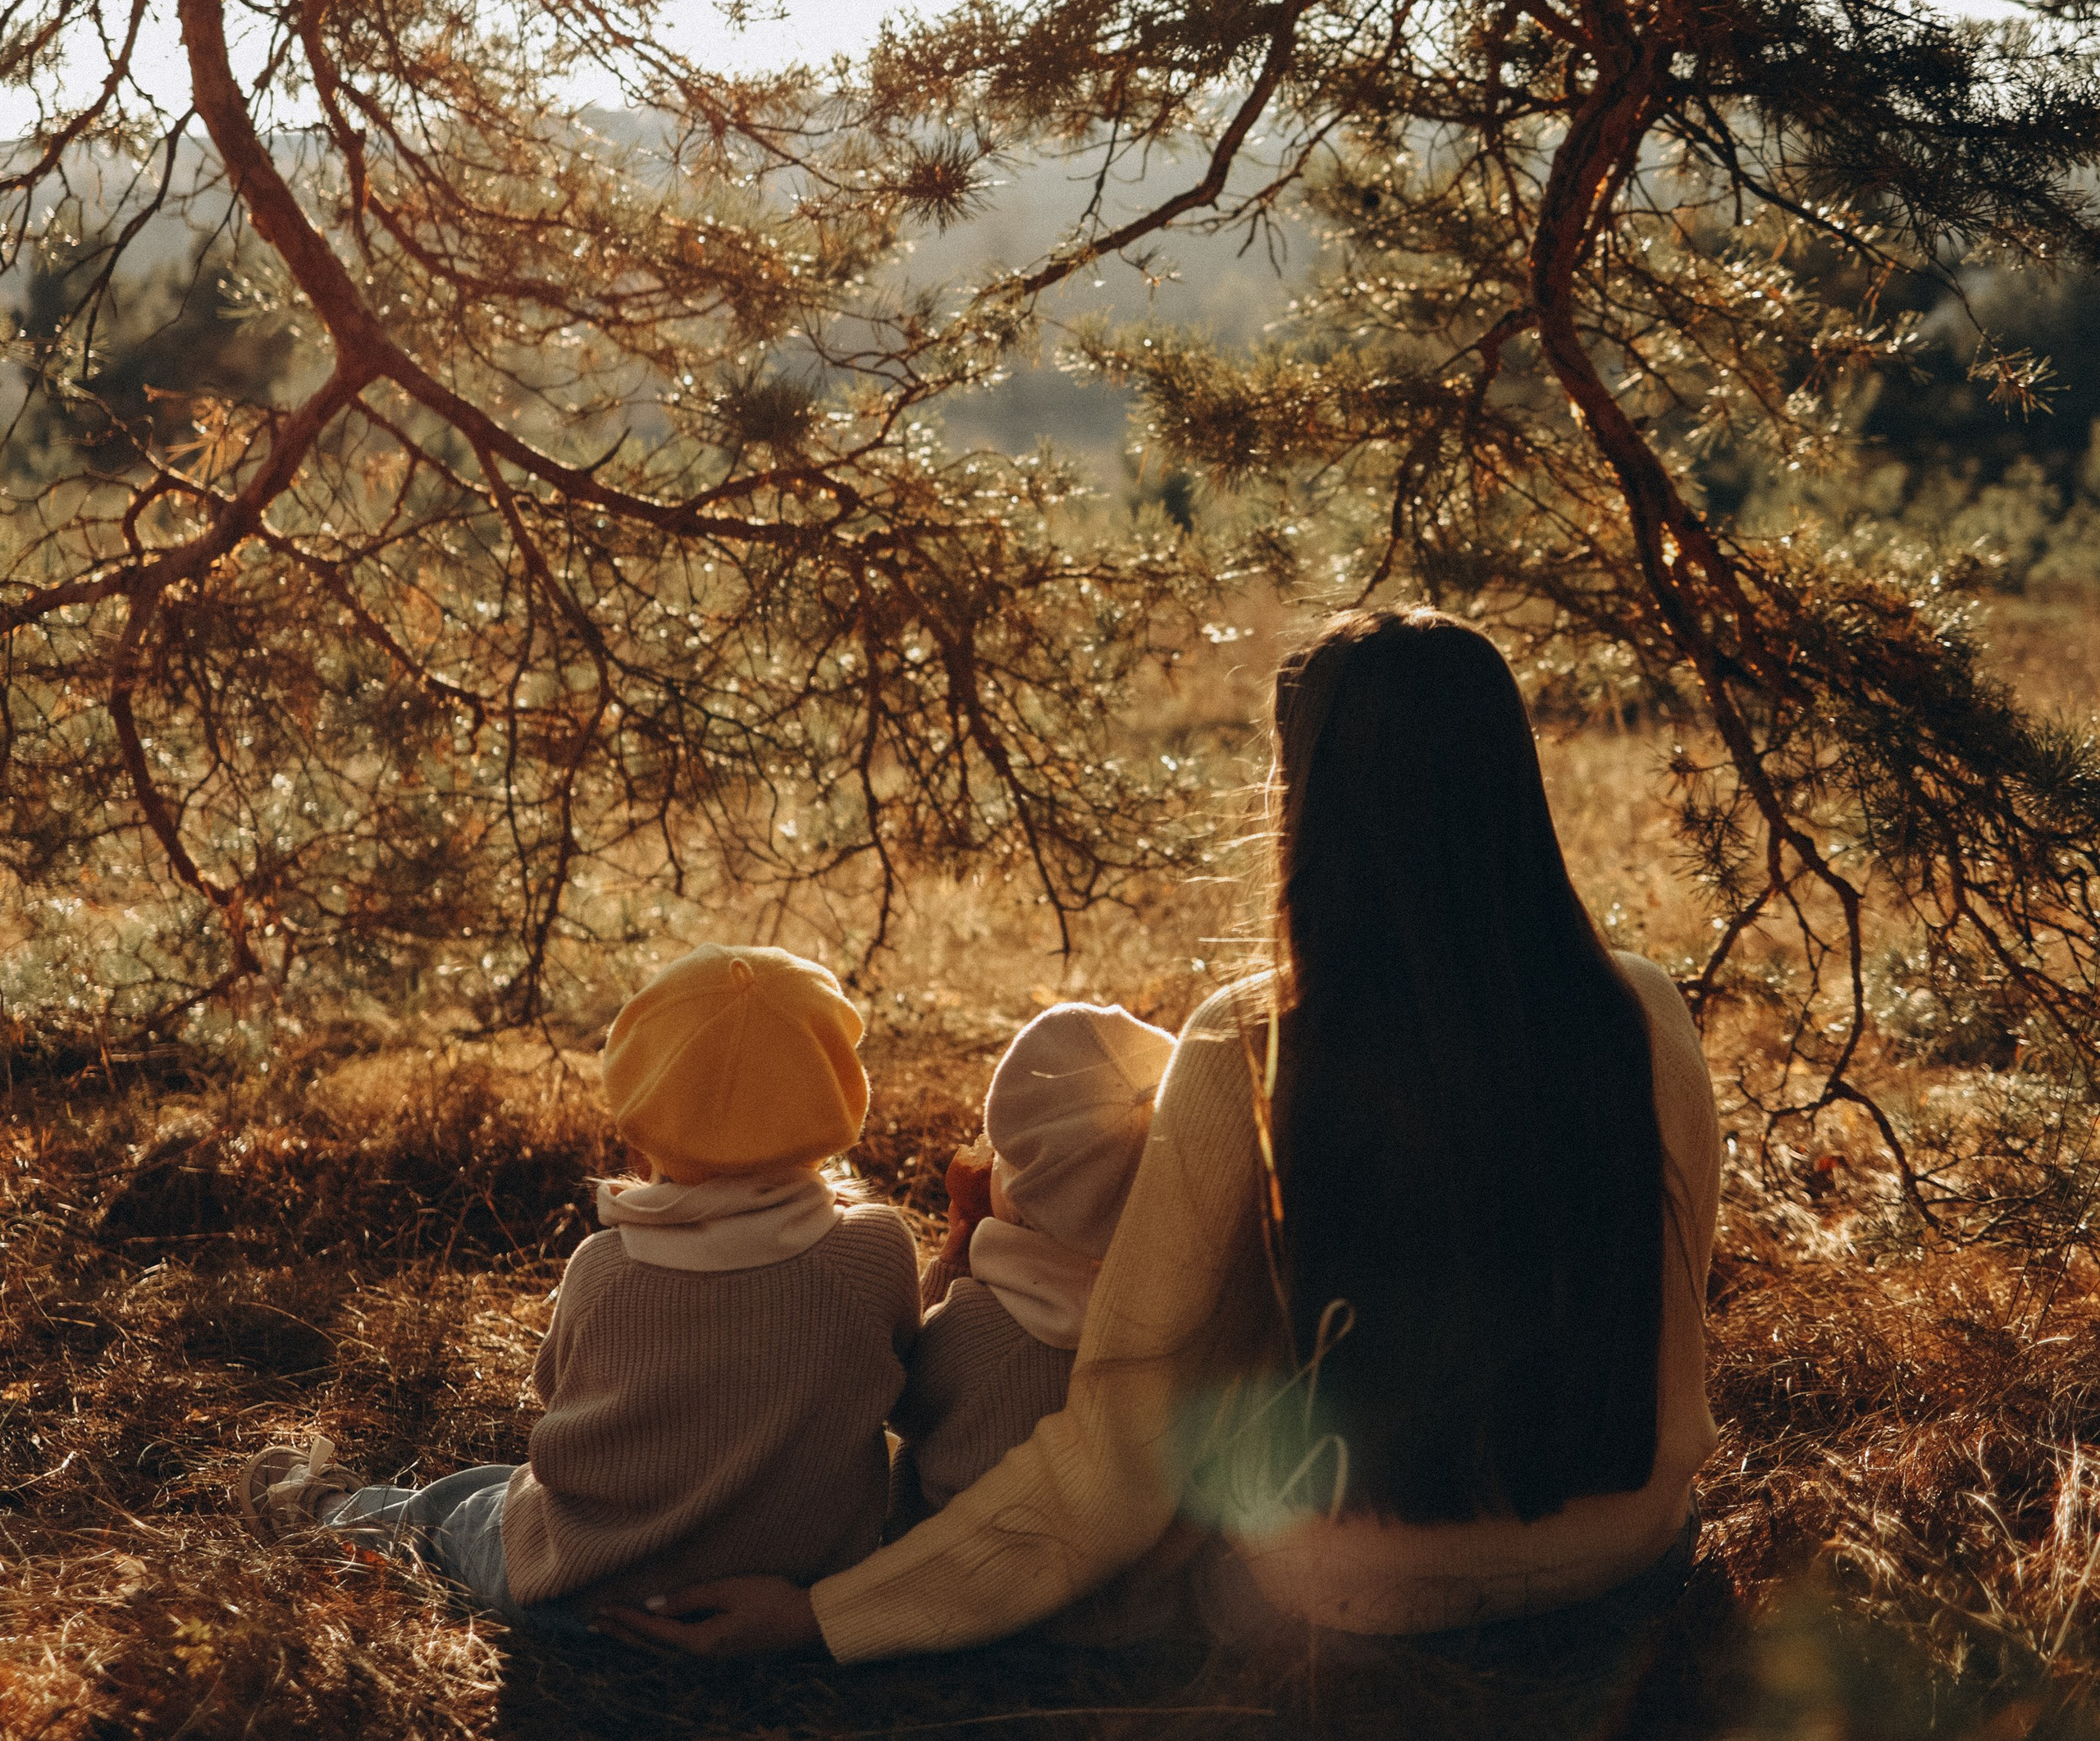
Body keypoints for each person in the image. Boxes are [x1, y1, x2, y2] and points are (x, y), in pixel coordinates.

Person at [597, 609, 1723, 1663]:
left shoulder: (1253, 1042)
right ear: (1515, 783)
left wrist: (827, 1616)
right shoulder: (1644, 1012)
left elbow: (1122, 1443)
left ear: (1304, 801)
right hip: (1622, 1557)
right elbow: (1670, 1314)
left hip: (1346, 1595)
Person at [233, 941, 920, 1621]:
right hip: (793, 1586)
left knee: (459, 1508)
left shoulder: (607, 1267)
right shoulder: (876, 1251)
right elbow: (902, 1378)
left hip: (588, 1592)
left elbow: (557, 1391)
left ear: (644, 1105)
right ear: (835, 1090)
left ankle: (327, 1513)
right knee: (488, 1493)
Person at [888, 998, 1174, 1531]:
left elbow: (897, 1398)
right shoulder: (1157, 1330)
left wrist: (951, 1263)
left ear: (1021, 1200)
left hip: (942, 1563)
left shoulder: (975, 1326)